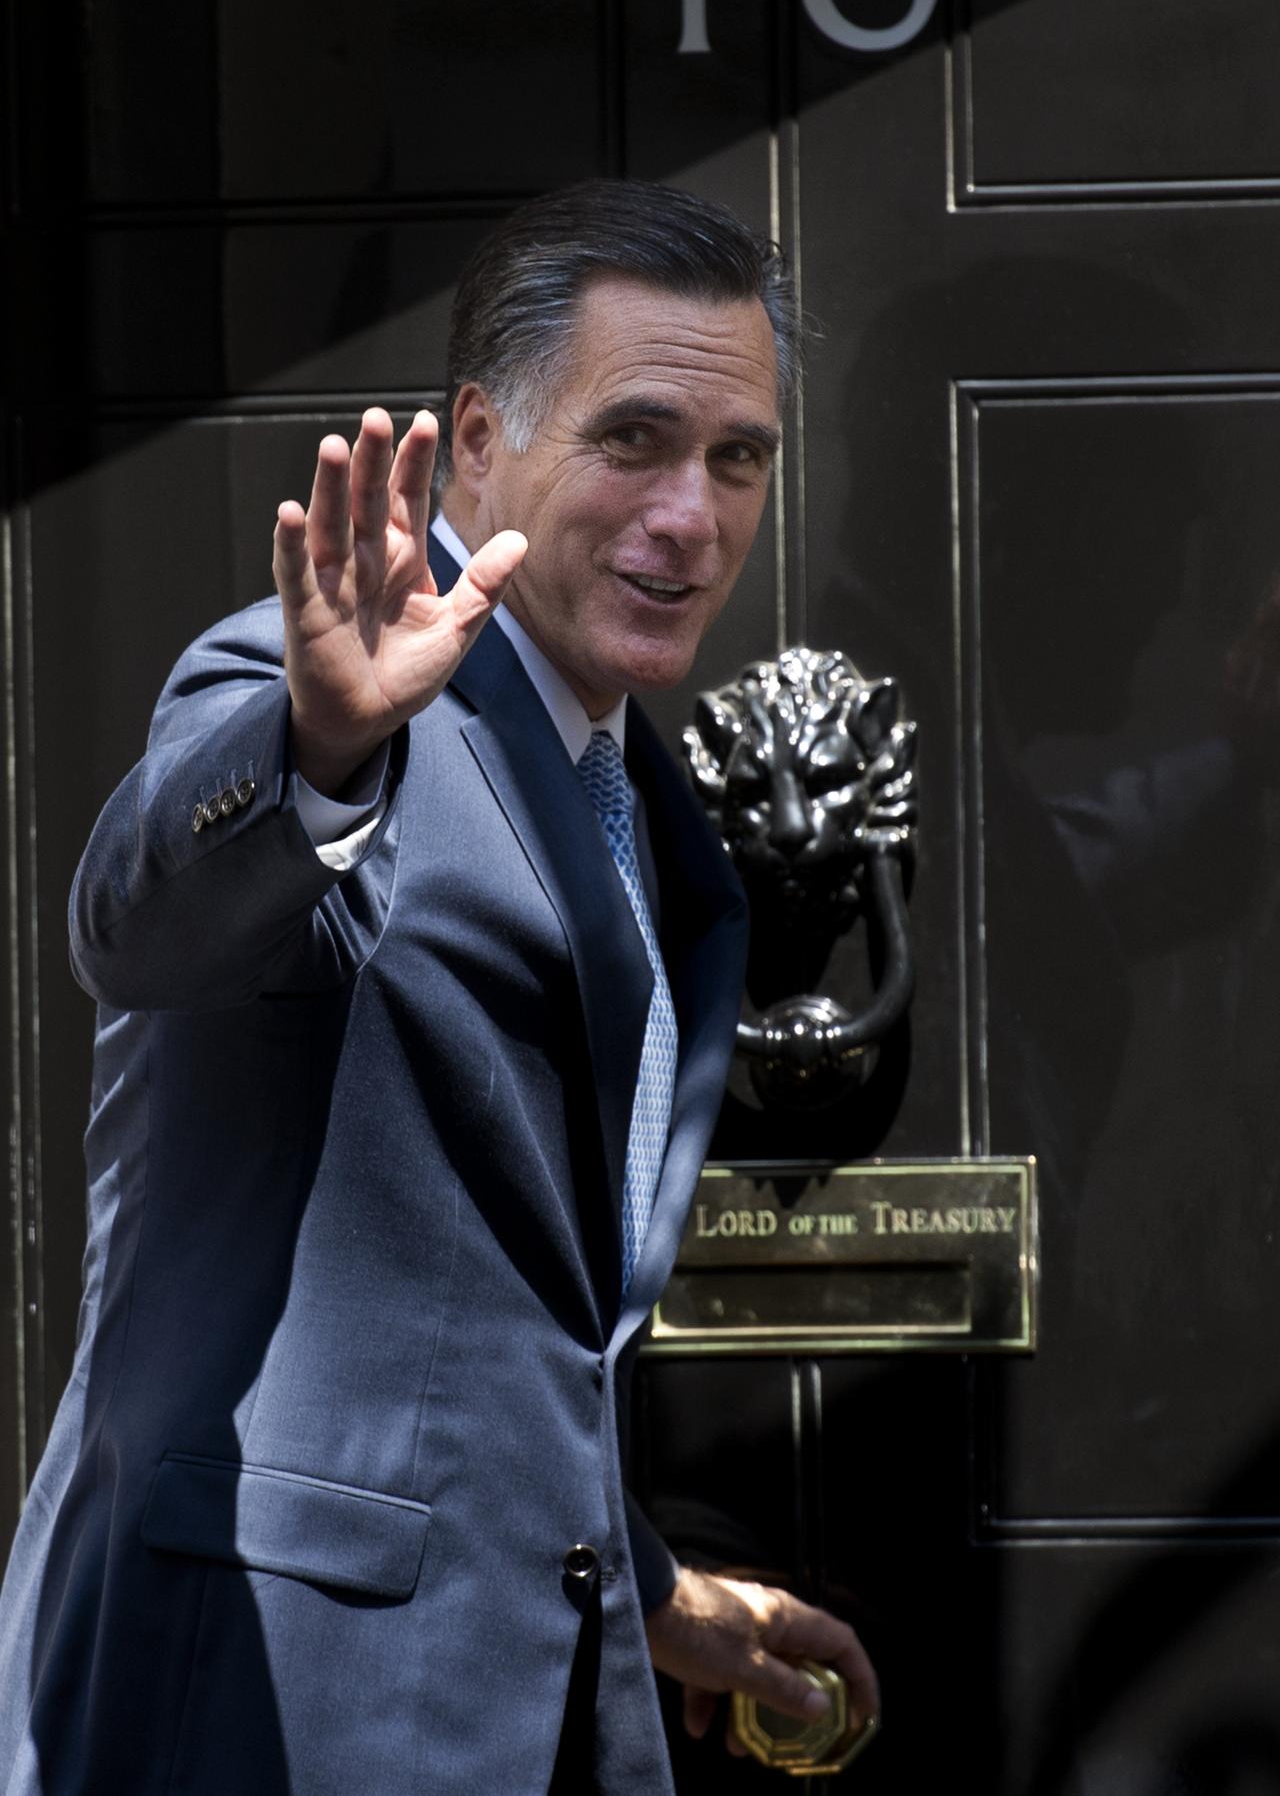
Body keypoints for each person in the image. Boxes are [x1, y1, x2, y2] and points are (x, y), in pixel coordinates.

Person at [0, 180, 877, 1794]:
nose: (693, 514)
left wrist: (653, 1597)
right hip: (267, 1706)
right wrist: (320, 751)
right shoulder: (307, 687)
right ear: (477, 439)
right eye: (635, 440)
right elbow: (142, 927)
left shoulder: (641, 800)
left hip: (535, 1702)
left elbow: (499, 1323)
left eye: (736, 457)